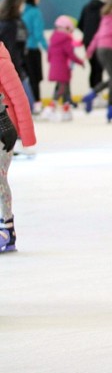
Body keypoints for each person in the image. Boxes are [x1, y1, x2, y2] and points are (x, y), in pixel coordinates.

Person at [0, 42, 36, 252]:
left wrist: (27, 135)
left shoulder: (2, 62)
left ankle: (7, 229)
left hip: (4, 129)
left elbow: (19, 98)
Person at [0, 0, 35, 110]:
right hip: (12, 70)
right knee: (26, 106)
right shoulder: (11, 25)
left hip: (16, 68)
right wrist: (17, 72)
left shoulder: (14, 22)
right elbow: (12, 50)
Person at [46, 15, 85, 121]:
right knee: (62, 89)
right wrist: (80, 62)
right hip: (64, 67)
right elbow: (70, 53)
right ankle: (51, 107)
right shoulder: (66, 39)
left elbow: (49, 54)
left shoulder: (54, 38)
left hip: (56, 66)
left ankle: (66, 110)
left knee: (64, 89)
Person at [78, 0, 110, 102]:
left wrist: (88, 35)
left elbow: (80, 24)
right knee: (99, 68)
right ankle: (98, 95)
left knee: (93, 68)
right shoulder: (104, 8)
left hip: (87, 42)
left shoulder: (86, 7)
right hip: (100, 42)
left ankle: (92, 92)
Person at [22, 0, 48, 115]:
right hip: (32, 49)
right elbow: (38, 34)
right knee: (35, 77)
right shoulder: (35, 12)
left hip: (21, 50)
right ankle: (36, 103)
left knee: (25, 78)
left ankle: (28, 103)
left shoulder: (22, 12)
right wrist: (47, 48)